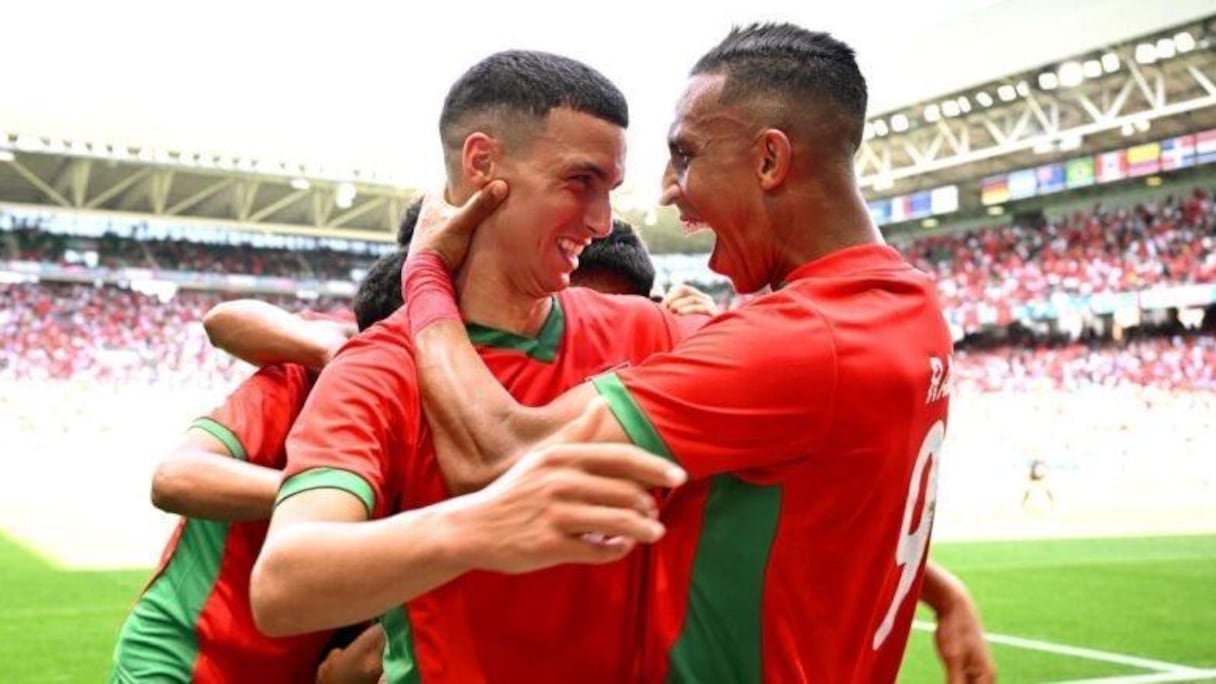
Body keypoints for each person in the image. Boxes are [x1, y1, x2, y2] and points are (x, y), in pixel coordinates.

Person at [400, 23, 973, 682]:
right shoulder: (912, 308)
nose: (669, 188)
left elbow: (497, 459)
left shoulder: (795, 341)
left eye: (686, 154)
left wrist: (425, 276)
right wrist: (945, 591)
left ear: (769, 159)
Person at [250, 50, 690, 684]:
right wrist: (482, 526)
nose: (601, 223)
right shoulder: (379, 367)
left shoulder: (651, 330)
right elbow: (284, 586)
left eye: (609, 192)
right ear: (482, 162)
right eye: (579, 182)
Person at [110, 251, 404, 684]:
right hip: (184, 662)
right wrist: (330, 496)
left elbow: (351, 665)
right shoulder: (305, 375)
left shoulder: (438, 431)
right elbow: (175, 478)